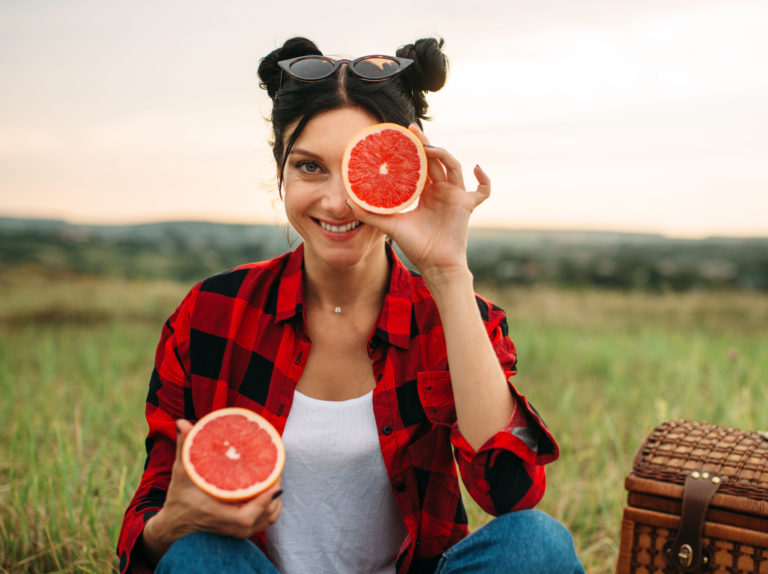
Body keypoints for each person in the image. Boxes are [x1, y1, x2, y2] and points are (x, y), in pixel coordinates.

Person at [116, 36, 586, 574]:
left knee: (535, 544)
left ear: (407, 176)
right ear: (281, 174)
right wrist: (174, 522)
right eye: (310, 167)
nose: (338, 201)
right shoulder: (212, 313)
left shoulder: (456, 318)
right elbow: (147, 540)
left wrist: (448, 274)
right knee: (200, 553)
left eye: (363, 170)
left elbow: (509, 492)